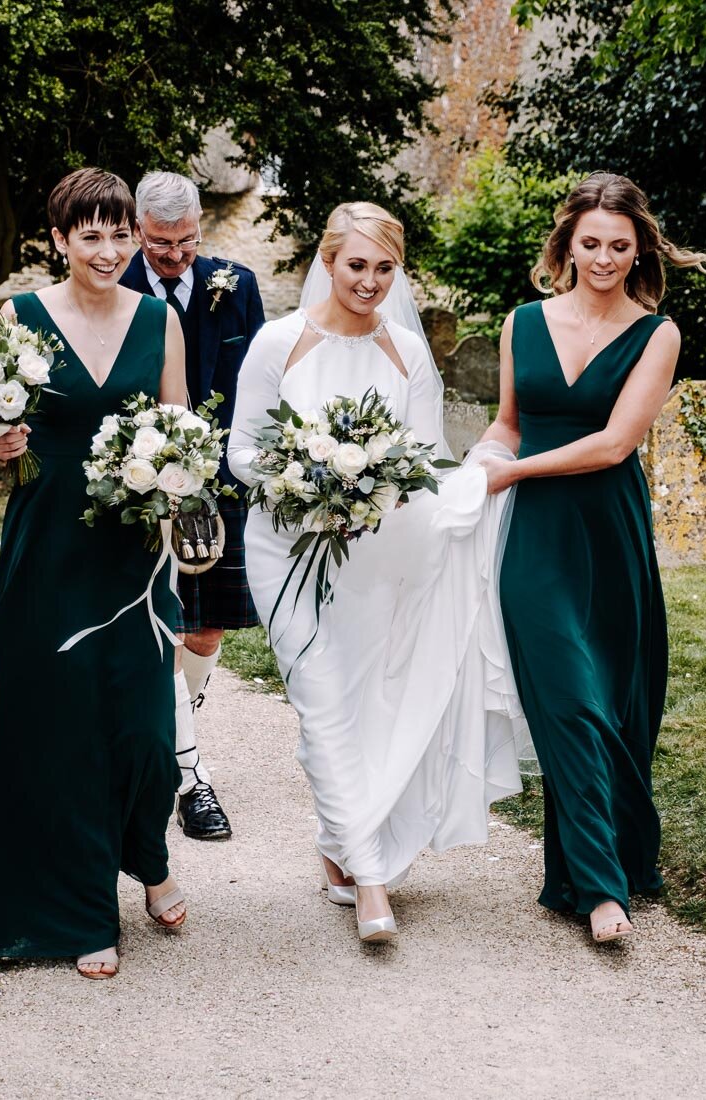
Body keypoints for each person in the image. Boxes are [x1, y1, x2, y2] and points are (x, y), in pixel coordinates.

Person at [0, 168, 191, 980]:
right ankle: (85, 910)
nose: (108, 250)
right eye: (89, 235)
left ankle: (148, 853)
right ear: (59, 239)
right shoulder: (19, 315)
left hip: (133, 549)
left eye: (120, 233)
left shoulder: (159, 320)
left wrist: (186, 511)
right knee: (64, 730)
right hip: (48, 539)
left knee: (143, 730)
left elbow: (180, 433)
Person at [226, 202, 525, 943]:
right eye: (356, 265)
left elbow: (422, 459)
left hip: (381, 552)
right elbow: (241, 453)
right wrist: (307, 483)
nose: (369, 281)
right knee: (321, 695)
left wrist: (381, 493)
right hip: (289, 549)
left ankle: (337, 845)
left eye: (385, 268)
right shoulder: (278, 344)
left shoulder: (405, 354)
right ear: (327, 261)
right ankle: (369, 878)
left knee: (364, 701)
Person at [476, 173, 706, 944]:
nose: (604, 258)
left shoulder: (658, 334)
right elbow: (509, 424)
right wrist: (477, 466)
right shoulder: (521, 322)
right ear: (566, 243)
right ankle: (599, 891)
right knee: (569, 703)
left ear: (640, 249)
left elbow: (618, 442)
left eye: (620, 247)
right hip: (536, 539)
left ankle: (608, 860)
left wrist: (514, 471)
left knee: (618, 706)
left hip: (609, 532)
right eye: (590, 243)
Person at [118, 170, 266, 841]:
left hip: (223, 480)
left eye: (187, 242)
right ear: (137, 229)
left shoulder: (236, 283)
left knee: (205, 632)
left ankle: (173, 724)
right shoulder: (112, 287)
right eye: (160, 244)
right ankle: (188, 778)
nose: (176, 256)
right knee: (155, 629)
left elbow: (260, 383)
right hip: (137, 477)